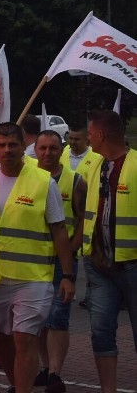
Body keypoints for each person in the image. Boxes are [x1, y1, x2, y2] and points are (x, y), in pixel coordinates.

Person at [0, 122, 75, 393]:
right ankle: (16, 383)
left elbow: (59, 229)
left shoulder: (43, 181)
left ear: (25, 147)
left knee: (25, 338)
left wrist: (68, 275)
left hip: (32, 277)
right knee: (2, 340)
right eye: (1, 145)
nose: (7, 150)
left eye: (13, 144)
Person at [81, 110, 137, 393]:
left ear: (101, 135)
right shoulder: (94, 164)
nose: (88, 138)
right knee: (101, 333)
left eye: (90, 133)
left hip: (132, 264)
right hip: (98, 264)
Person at [33, 131, 87, 393]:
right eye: (42, 148)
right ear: (35, 149)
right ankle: (45, 367)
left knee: (58, 316)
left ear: (61, 149)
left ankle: (55, 372)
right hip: (33, 261)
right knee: (39, 318)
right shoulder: (29, 178)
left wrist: (71, 249)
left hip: (61, 262)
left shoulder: (75, 181)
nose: (47, 153)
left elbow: (83, 220)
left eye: (53, 148)